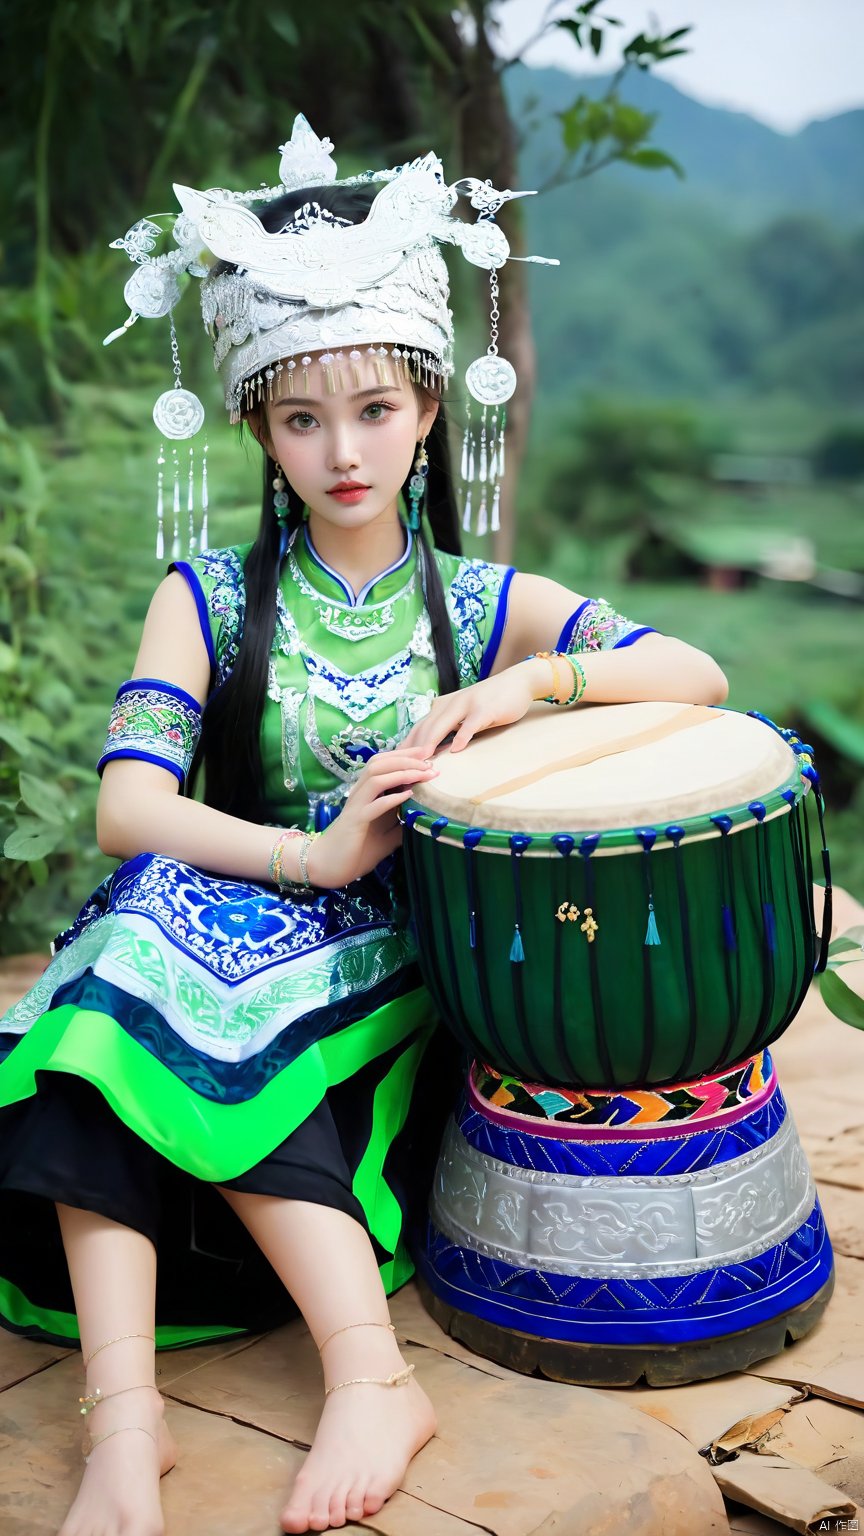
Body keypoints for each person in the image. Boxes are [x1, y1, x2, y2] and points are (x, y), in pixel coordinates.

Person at [0, 117, 727, 1536]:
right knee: (126, 971)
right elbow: (124, 808)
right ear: (256, 425)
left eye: (376, 410)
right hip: (248, 905)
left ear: (431, 409)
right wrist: (309, 853)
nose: (344, 450)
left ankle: (368, 1379)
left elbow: (693, 671)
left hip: (390, 953)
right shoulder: (206, 596)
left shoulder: (474, 602)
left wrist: (530, 683)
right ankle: (127, 1431)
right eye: (301, 416)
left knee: (145, 970)